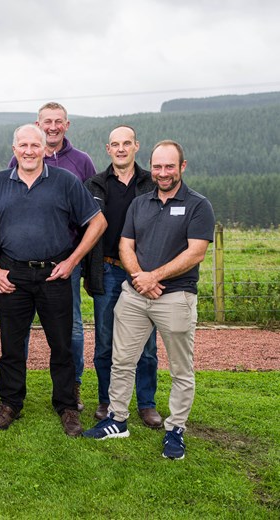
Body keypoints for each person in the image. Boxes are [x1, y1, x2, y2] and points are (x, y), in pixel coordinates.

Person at [0, 124, 106, 436]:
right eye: (23, 145)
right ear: (14, 149)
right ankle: (11, 403)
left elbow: (97, 222)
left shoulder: (65, 181)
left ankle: (67, 406)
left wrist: (73, 261)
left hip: (54, 273)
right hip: (11, 274)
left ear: (45, 149)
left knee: (61, 345)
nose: (29, 151)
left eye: (35, 145)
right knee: (12, 345)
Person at [84, 140, 215, 460]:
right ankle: (117, 419)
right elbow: (126, 245)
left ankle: (176, 429)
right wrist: (141, 278)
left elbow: (195, 251)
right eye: (157, 166)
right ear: (151, 167)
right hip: (134, 294)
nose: (163, 172)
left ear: (182, 167)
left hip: (176, 296)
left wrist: (153, 277)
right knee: (122, 359)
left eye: (170, 166)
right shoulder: (140, 204)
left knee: (181, 368)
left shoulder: (199, 205)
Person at [10, 102, 97, 411]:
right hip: (23, 264)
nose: (52, 126)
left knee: (69, 330)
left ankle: (72, 388)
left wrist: (76, 259)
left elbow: (92, 213)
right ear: (38, 123)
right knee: (17, 330)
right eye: (47, 121)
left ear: (67, 125)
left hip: (66, 260)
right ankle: (13, 396)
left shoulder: (82, 162)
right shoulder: (20, 158)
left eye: (58, 121)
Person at [83, 125, 161, 427]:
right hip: (106, 269)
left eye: (126, 143)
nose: (121, 149)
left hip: (143, 273)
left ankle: (146, 403)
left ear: (136, 147)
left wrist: (152, 272)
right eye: (115, 144)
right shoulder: (95, 185)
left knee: (146, 343)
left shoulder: (151, 183)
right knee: (105, 342)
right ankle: (107, 400)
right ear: (108, 149)